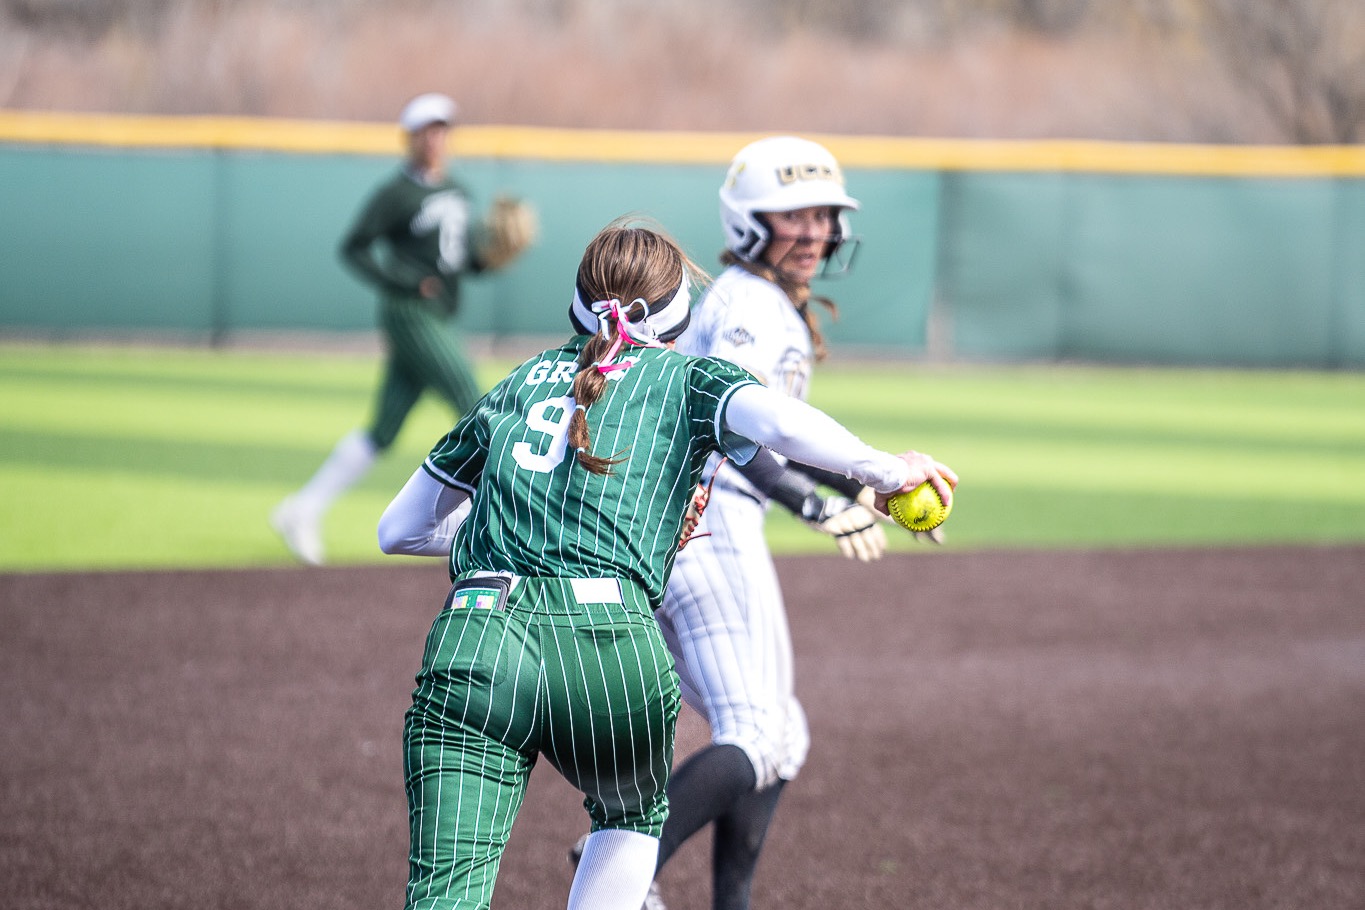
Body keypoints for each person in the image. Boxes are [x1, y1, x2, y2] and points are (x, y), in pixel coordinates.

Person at [376, 217, 956, 910]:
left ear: (578, 303)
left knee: (445, 890)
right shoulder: (689, 378)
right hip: (608, 643)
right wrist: (889, 472)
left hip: (475, 638)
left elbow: (399, 530)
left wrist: (515, 527)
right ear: (680, 308)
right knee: (626, 825)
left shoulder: (514, 384)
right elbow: (777, 422)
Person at [640, 136, 926, 910]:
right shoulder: (747, 307)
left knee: (780, 734)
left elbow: (782, 433)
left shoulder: (759, 303)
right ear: (747, 221)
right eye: (794, 215)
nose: (816, 232)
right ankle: (620, 875)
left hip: (698, 525)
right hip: (706, 522)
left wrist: (879, 483)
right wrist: (813, 502)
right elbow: (736, 433)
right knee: (760, 732)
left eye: (824, 217)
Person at [272, 91, 536, 565]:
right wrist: (403, 282)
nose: (435, 139)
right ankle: (500, 522)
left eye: (441, 130)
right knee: (472, 398)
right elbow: (353, 247)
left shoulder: (457, 191)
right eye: (426, 131)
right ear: (411, 138)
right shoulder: (397, 193)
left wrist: (490, 258)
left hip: (437, 314)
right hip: (409, 314)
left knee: (385, 429)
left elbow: (456, 264)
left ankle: (301, 509)